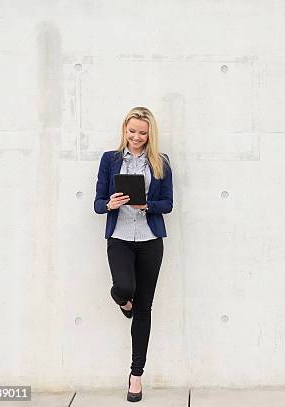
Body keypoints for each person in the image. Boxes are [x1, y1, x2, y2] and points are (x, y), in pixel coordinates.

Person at [93, 106, 173, 402]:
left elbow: (168, 203)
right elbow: (97, 203)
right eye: (132, 131)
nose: (137, 137)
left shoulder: (161, 163)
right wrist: (110, 204)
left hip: (151, 240)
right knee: (125, 288)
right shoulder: (110, 160)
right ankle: (123, 301)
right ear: (124, 130)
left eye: (142, 132)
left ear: (150, 133)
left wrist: (147, 205)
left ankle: (136, 376)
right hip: (120, 238)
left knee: (144, 308)